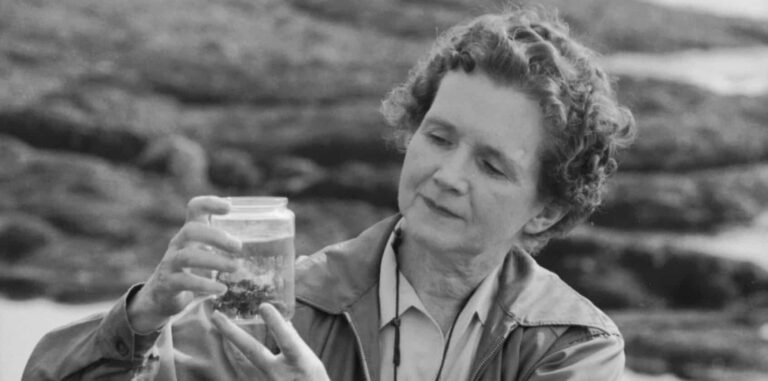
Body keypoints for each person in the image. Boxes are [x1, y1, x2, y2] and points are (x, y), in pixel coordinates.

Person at [23, 6, 635, 381]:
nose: (447, 174)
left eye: (492, 166)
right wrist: (143, 317)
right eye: (439, 136)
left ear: (549, 206)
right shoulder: (284, 305)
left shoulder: (572, 345)